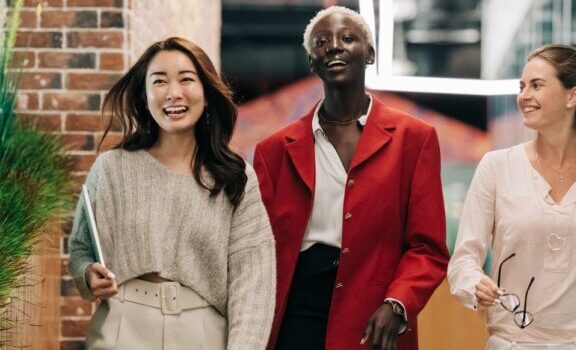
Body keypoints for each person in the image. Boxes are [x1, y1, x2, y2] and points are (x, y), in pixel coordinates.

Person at [253, 6, 449, 350]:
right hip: (293, 313)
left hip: (375, 315)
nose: (334, 46)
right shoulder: (274, 151)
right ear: (312, 61)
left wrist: (398, 304)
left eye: (347, 38)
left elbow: (427, 248)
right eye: (322, 41)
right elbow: (256, 248)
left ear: (370, 54)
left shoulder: (414, 139)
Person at [68, 37, 276, 349]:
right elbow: (82, 248)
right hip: (122, 327)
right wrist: (87, 274)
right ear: (144, 95)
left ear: (206, 93)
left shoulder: (235, 178)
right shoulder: (111, 168)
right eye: (159, 81)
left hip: (204, 333)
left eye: (186, 80)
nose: (173, 93)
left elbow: (254, 284)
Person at [447, 44, 576, 350]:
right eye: (522, 86)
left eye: (537, 85)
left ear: (573, 95)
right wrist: (474, 284)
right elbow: (464, 260)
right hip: (513, 342)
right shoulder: (496, 167)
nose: (523, 96)